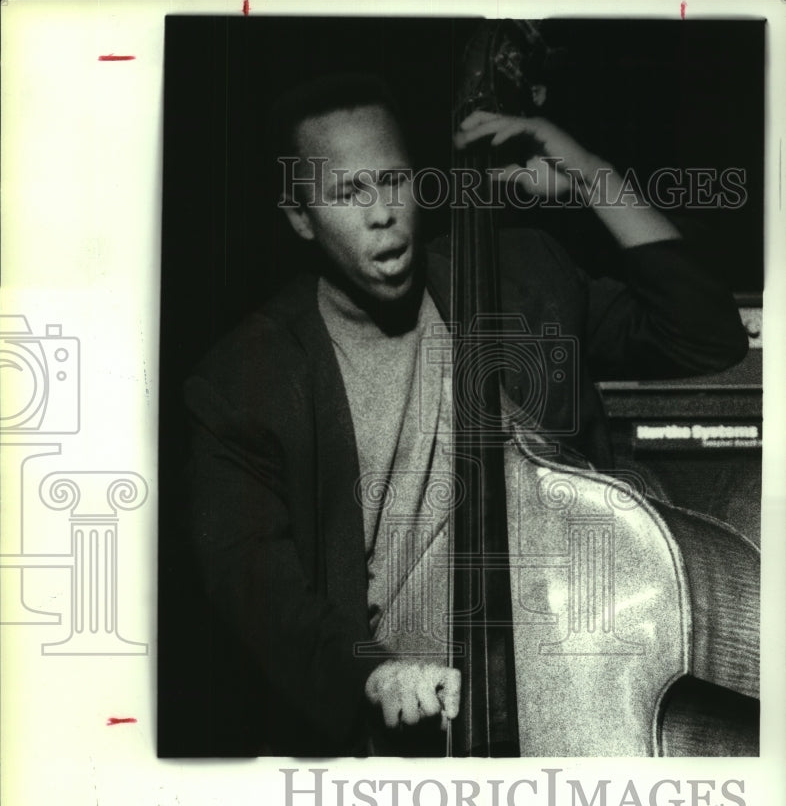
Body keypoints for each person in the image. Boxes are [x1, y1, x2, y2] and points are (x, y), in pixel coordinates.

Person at [183, 73, 748, 757]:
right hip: (404, 711)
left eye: (392, 181)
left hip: (576, 674)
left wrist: (592, 178)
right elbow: (254, 582)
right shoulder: (246, 381)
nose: (381, 213)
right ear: (301, 215)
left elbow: (705, 333)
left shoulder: (522, 275)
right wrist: (373, 673)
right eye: (347, 193)